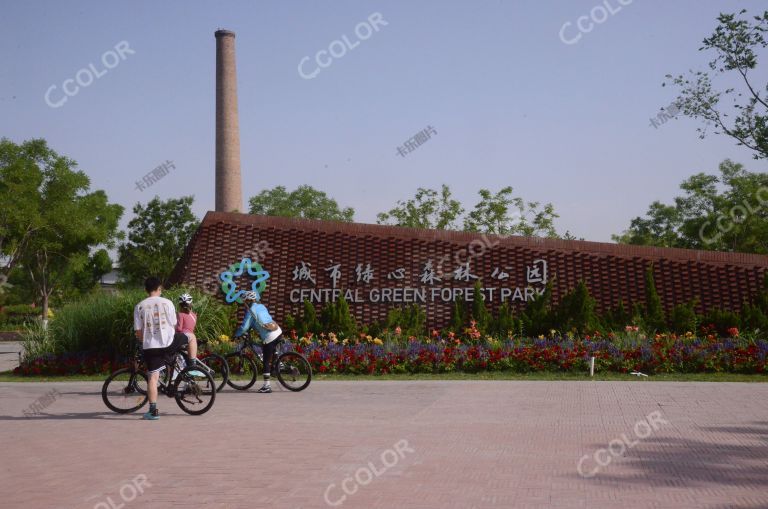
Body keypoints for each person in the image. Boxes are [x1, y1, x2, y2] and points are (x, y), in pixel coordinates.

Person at [133, 278, 197, 420]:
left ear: (146, 290)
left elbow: (138, 332)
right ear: (159, 288)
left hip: (151, 347)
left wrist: (146, 340)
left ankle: (153, 411)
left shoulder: (139, 306)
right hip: (168, 342)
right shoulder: (167, 303)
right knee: (191, 337)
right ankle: (192, 366)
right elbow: (174, 324)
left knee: (153, 378)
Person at [234, 290, 282, 393]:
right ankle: (278, 365)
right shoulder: (262, 306)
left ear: (249, 300)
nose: (244, 303)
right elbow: (261, 320)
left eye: (245, 301)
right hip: (277, 330)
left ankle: (267, 386)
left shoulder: (251, 311)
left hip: (270, 335)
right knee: (272, 355)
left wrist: (236, 334)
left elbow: (244, 327)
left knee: (265, 361)